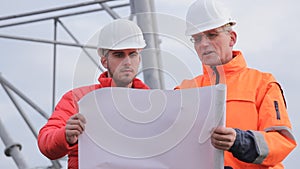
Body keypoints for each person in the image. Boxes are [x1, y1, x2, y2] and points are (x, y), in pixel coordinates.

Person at [175, 0, 297, 168]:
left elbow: (282, 142)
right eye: (197, 38)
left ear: (231, 38)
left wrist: (240, 141)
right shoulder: (183, 91)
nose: (203, 44)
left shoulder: (263, 84)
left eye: (212, 35)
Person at [37, 19, 150, 169]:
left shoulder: (154, 102)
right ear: (104, 61)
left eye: (133, 54)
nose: (127, 61)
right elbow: (46, 142)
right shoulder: (78, 99)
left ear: (139, 59)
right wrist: (65, 135)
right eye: (119, 55)